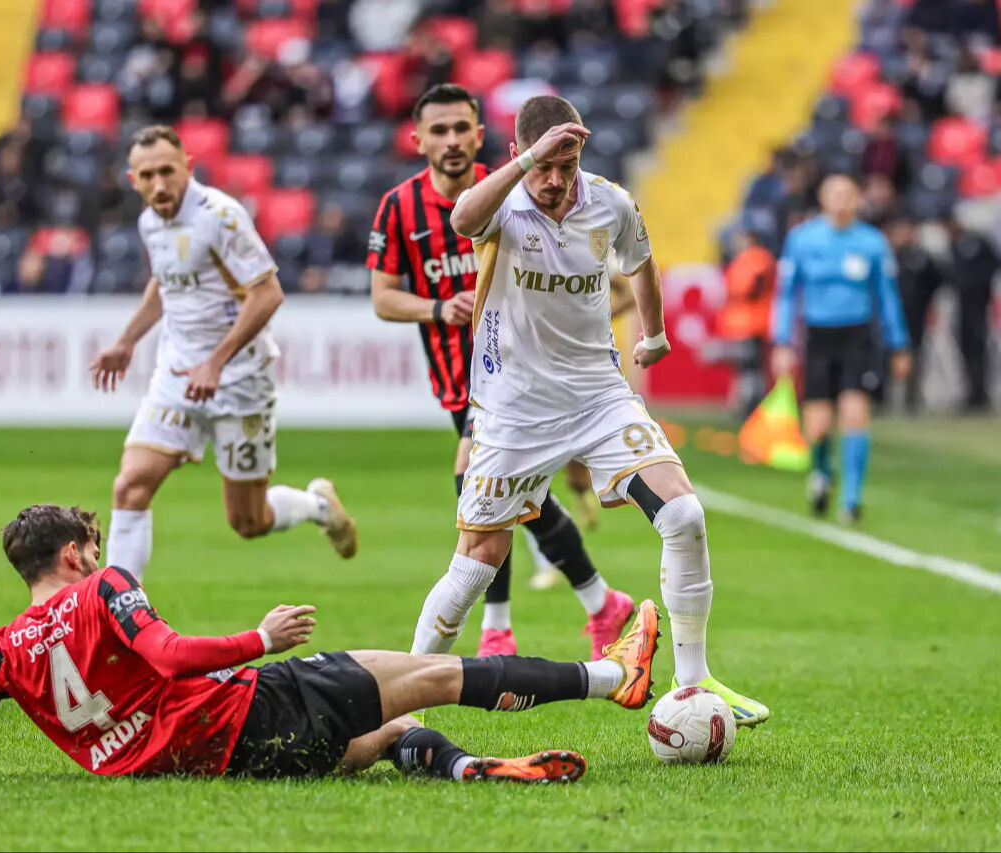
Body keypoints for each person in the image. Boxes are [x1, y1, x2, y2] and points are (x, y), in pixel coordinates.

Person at [0, 504, 661, 783]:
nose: (98, 555)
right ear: (72, 556)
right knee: (431, 672)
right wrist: (257, 636)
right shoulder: (103, 587)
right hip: (245, 711)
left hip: (211, 763)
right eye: (90, 547)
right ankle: (609, 673)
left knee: (385, 735)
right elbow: (171, 656)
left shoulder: (1, 651)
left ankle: (466, 769)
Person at [409, 94, 769, 727]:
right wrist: (527, 166)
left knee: (684, 515)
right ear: (519, 154)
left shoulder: (610, 202)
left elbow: (642, 264)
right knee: (476, 563)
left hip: (598, 396)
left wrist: (653, 334)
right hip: (514, 409)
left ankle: (694, 681)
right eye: (544, 164)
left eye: (567, 164)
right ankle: (401, 701)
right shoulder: (503, 203)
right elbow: (462, 219)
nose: (555, 179)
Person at [367, 84, 635, 659]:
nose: (452, 140)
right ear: (418, 140)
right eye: (439, 131)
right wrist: (438, 308)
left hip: (514, 375)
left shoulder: (522, 187)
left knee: (475, 482)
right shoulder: (399, 207)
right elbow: (383, 298)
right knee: (521, 502)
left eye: (461, 128)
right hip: (454, 379)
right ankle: (601, 602)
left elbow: (605, 271)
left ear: (480, 136)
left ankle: (497, 629)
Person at [89, 126, 358, 581]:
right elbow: (165, 281)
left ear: (188, 167)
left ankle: (317, 506)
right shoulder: (150, 222)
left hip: (240, 380)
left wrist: (216, 361)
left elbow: (268, 292)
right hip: (177, 375)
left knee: (248, 521)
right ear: (133, 180)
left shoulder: (220, 216)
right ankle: (120, 608)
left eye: (167, 171)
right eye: (147, 176)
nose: (159, 185)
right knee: (130, 486)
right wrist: (126, 341)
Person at [771, 173, 912, 524]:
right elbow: (786, 293)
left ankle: (851, 499)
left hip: (857, 336)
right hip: (818, 336)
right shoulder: (802, 239)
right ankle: (823, 471)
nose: (840, 199)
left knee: (855, 412)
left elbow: (887, 296)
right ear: (822, 198)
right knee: (817, 424)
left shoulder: (871, 242)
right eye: (833, 193)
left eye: (847, 193)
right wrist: (782, 341)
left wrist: (899, 344)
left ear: (857, 199)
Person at [885, 211, 942, 411]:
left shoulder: (920, 257)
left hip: (915, 314)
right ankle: (882, 398)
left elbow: (936, 280)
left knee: (915, 354)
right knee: (884, 355)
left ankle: (912, 397)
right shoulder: (886, 256)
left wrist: (928, 302)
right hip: (887, 316)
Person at [717, 228, 776, 418]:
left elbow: (748, 289)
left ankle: (750, 406)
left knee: (750, 369)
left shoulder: (757, 259)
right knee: (746, 369)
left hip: (751, 323)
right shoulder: (754, 258)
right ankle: (747, 404)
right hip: (747, 322)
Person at [947, 221, 996, 411]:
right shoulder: (954, 246)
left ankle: (980, 392)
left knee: (979, 348)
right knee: (965, 348)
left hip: (979, 307)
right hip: (962, 307)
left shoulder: (978, 243)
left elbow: (993, 266)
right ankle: (971, 392)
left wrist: (976, 286)